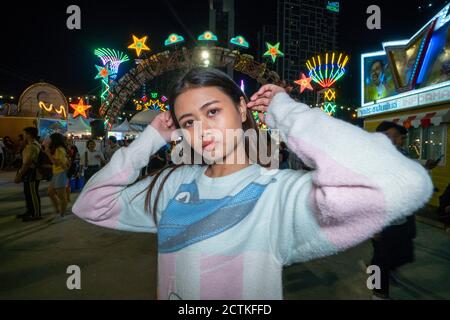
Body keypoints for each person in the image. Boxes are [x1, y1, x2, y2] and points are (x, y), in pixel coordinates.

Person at [73, 67, 432, 300]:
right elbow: (90, 205)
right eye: (188, 121)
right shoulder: (172, 184)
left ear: (243, 109)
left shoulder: (279, 194)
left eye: (212, 111)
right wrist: (151, 138)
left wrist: (285, 110)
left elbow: (402, 183)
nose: (202, 130)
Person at [14, 127, 41, 221]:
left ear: (29, 134)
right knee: (28, 193)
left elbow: (27, 163)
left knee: (32, 194)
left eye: (24, 134)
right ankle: (30, 211)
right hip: (29, 172)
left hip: (32, 173)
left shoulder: (33, 146)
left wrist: (19, 175)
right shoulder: (30, 144)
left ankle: (36, 214)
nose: (23, 135)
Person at [43, 133, 70, 217]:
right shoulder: (58, 149)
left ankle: (62, 214)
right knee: (50, 192)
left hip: (60, 173)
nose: (49, 140)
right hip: (57, 173)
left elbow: (56, 163)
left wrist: (48, 153)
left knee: (61, 196)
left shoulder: (59, 149)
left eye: (50, 139)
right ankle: (59, 210)